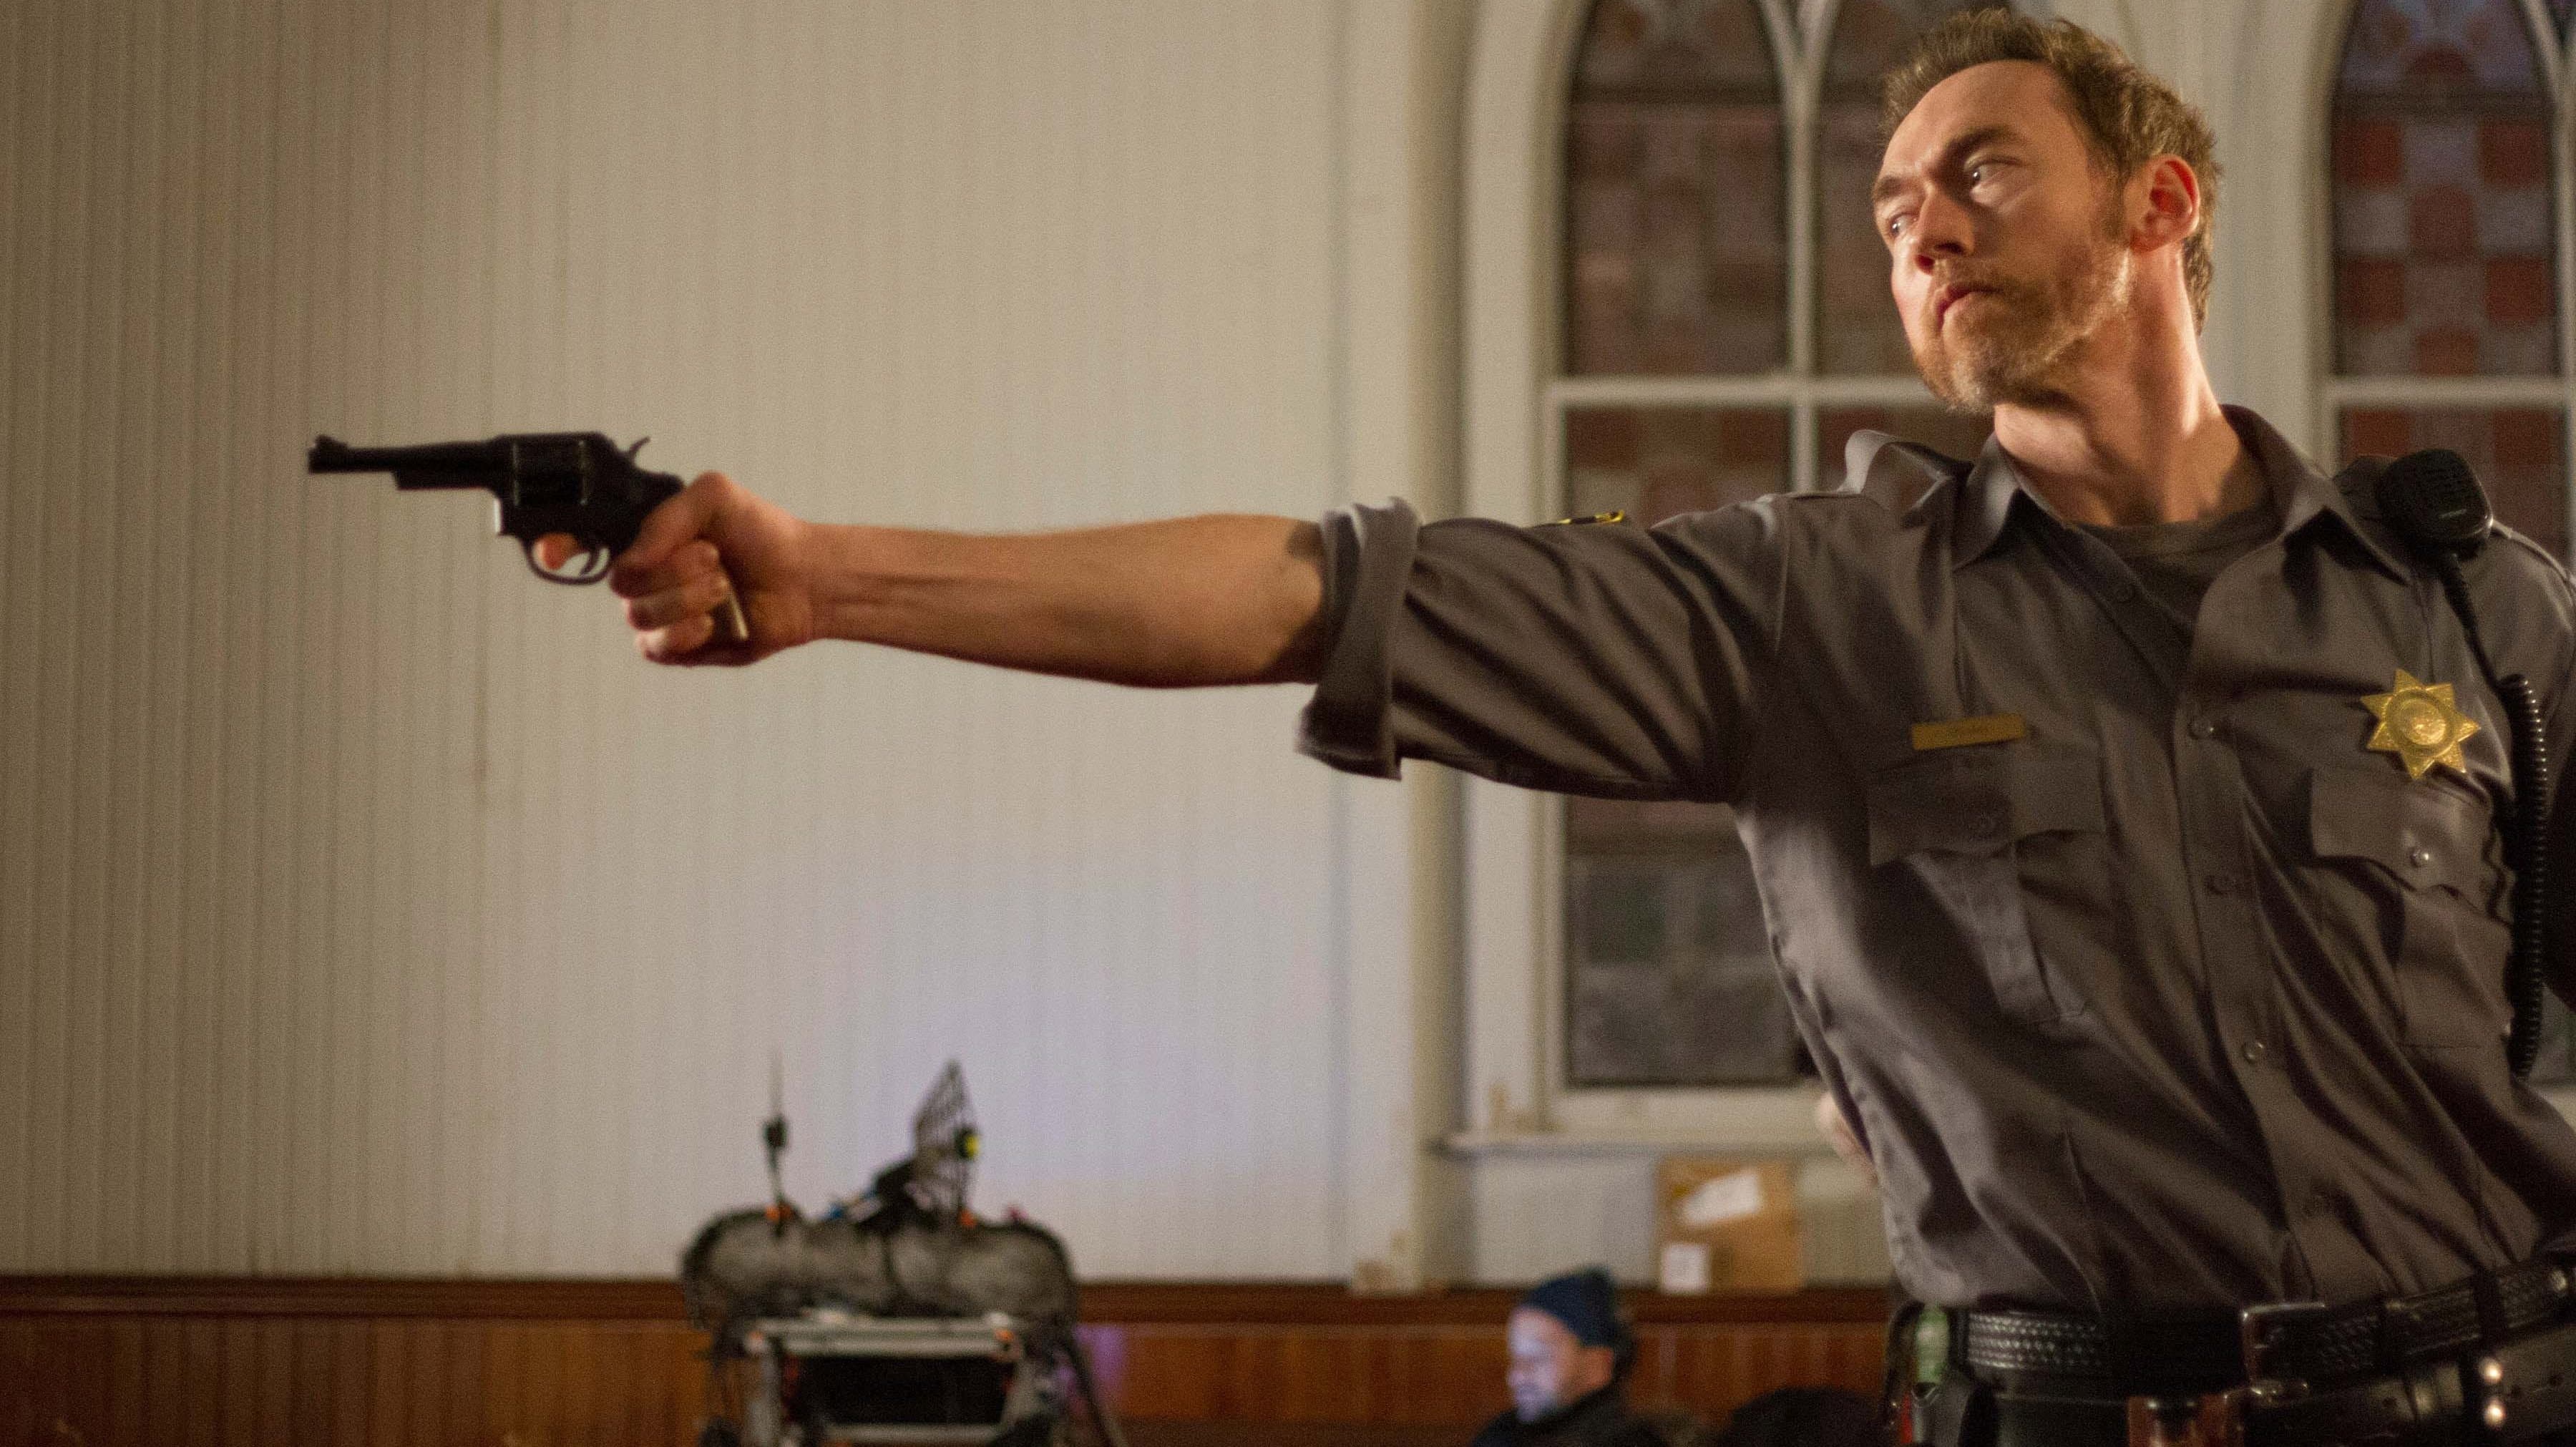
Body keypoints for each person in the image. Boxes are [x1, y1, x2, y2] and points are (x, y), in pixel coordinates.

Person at [554, 12, 2576, 1445]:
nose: (1920, 231)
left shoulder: (2469, 607)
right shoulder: (1817, 606)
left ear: (2159, 202)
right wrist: (835, 576)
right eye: (1888, 210)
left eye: (1977, 172)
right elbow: (1321, 595)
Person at [1471, 1269, 1666, 1447]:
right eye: (1516, 1359)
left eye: (1537, 1358)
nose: (1516, 1377)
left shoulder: (1633, 1441)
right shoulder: (1501, 1436)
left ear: (1599, 1363)